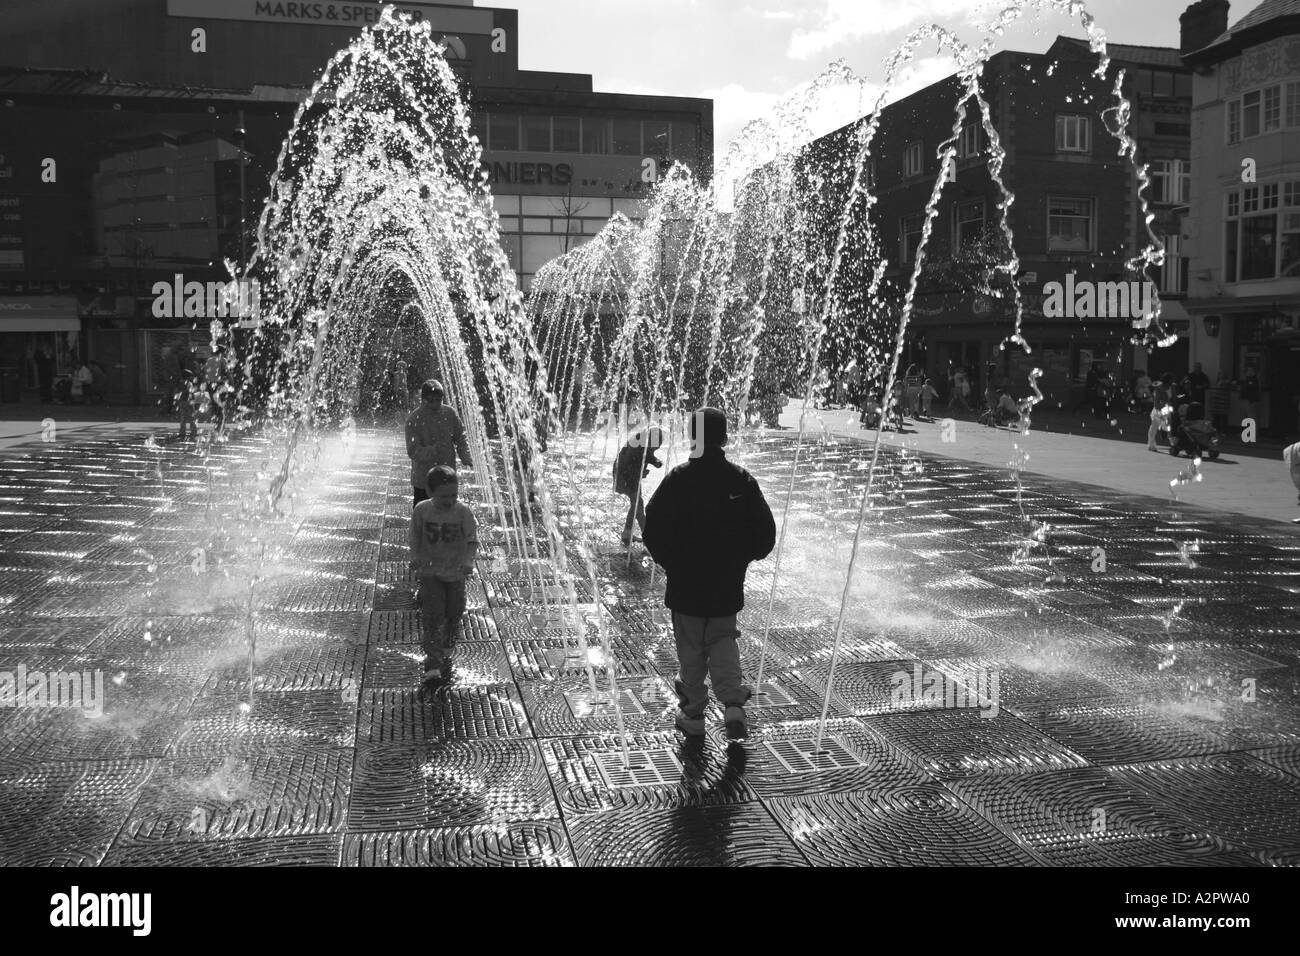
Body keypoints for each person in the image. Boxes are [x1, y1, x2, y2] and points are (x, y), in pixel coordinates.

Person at [643, 408, 777, 741]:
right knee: (723, 641)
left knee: (690, 649)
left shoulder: (678, 478)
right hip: (725, 585)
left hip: (686, 587)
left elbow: (653, 526)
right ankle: (733, 704)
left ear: (692, 437)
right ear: (725, 438)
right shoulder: (741, 480)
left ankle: (693, 714)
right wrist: (743, 557)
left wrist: (670, 562)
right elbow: (765, 533)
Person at [409, 465, 478, 684]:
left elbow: (472, 540)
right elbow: (414, 536)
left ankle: (449, 635)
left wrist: (468, 561)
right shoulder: (422, 510)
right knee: (432, 615)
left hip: (455, 572)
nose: (449, 500)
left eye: (454, 495)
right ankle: (433, 662)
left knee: (454, 611)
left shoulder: (462, 512)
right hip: (430, 573)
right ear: (429, 492)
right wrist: (416, 557)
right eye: (443, 496)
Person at [405, 380, 473, 507]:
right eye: (431, 400)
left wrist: (465, 456)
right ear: (423, 399)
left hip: (447, 475)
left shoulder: (449, 413)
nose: (435, 404)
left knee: (448, 513)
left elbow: (460, 436)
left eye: (439, 399)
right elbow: (413, 450)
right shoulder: (414, 419)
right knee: (423, 514)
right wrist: (434, 450)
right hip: (424, 479)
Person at [613, 425, 664, 545]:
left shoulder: (644, 441)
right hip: (625, 477)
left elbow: (646, 455)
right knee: (638, 505)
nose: (657, 448)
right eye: (657, 445)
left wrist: (655, 461)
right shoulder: (636, 445)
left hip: (632, 477)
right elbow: (629, 464)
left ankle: (627, 533)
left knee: (636, 505)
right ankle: (648, 537)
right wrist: (641, 472)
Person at [1148, 373, 1174, 451]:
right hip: (1158, 411)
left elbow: (1173, 398)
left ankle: (1173, 444)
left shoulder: (1172, 387)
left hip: (1168, 409)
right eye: (1170, 381)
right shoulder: (1158, 389)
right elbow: (1156, 404)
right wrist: (1163, 406)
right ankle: (1151, 445)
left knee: (1170, 427)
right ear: (1166, 381)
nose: (1171, 382)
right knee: (1154, 427)